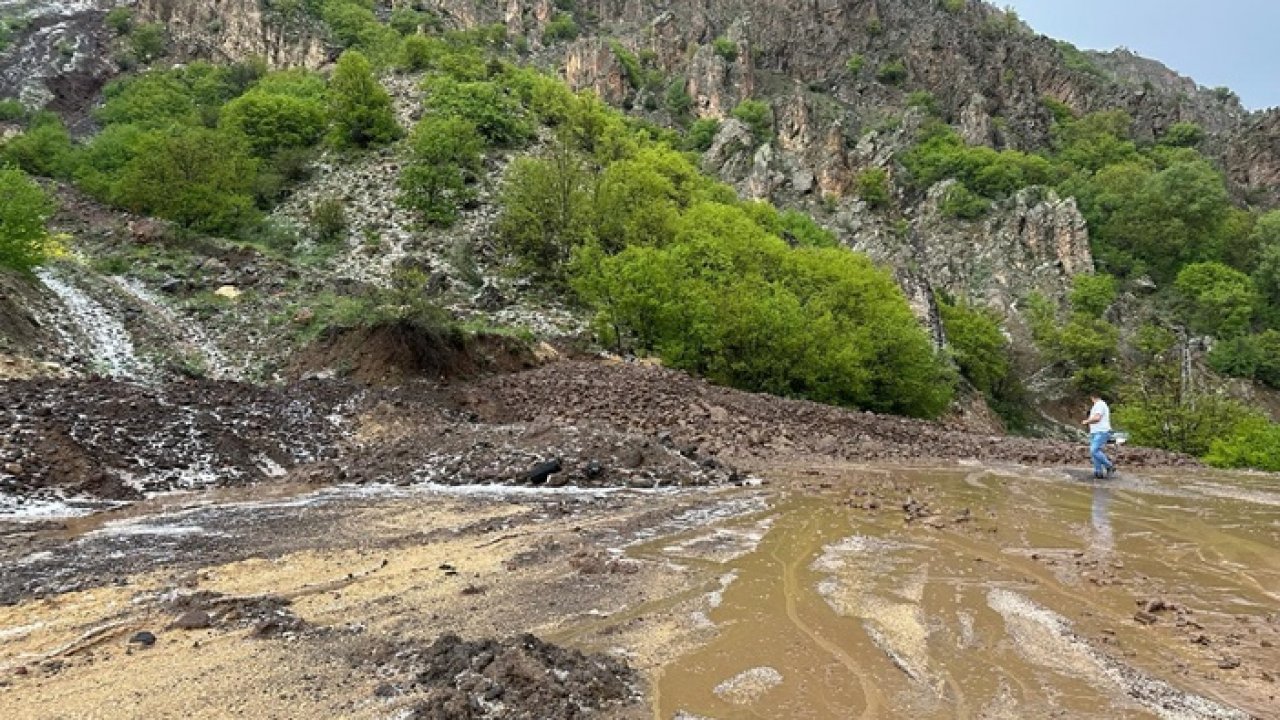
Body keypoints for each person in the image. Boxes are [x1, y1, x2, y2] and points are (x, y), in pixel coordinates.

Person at [1081, 393, 1116, 479]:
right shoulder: (1097, 405)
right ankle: (1098, 472)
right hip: (1096, 432)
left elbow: (1097, 418)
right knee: (1095, 453)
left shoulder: (1100, 404)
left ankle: (1109, 466)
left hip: (1101, 431)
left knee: (1094, 450)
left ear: (1092, 397)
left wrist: (1086, 421)